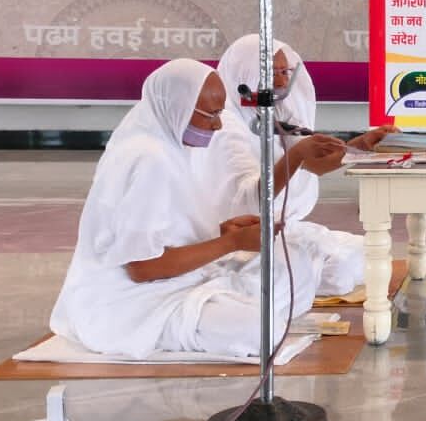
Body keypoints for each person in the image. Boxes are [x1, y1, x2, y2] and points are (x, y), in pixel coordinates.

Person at [50, 59, 323, 358]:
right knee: (262, 329)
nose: (218, 125)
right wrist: (230, 243)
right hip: (132, 301)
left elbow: (169, 230)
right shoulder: (148, 158)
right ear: (177, 107)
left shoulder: (169, 146)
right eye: (211, 115)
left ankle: (228, 312)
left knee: (295, 263)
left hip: (178, 278)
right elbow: (142, 268)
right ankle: (222, 317)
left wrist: (224, 232)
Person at [195, 34, 396, 296]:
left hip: (284, 228)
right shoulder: (225, 126)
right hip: (245, 236)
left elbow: (314, 166)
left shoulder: (271, 113)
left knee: (371, 251)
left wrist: (362, 145)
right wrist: (296, 155)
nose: (281, 82)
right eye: (272, 73)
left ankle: (295, 281)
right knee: (340, 273)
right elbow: (252, 202)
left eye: (285, 72)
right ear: (246, 74)